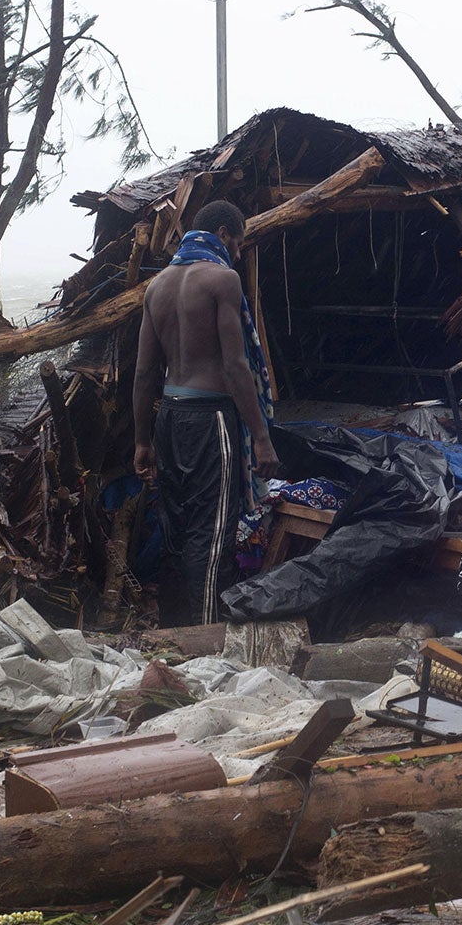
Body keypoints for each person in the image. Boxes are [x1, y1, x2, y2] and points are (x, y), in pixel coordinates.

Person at [133, 201, 279, 623]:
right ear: (223, 233)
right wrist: (262, 438)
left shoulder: (156, 287)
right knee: (212, 532)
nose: (237, 254)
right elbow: (236, 366)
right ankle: (206, 636)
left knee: (176, 528)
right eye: (239, 243)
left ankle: (172, 629)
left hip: (169, 419)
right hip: (210, 419)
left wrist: (143, 441)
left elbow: (144, 374)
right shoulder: (222, 280)